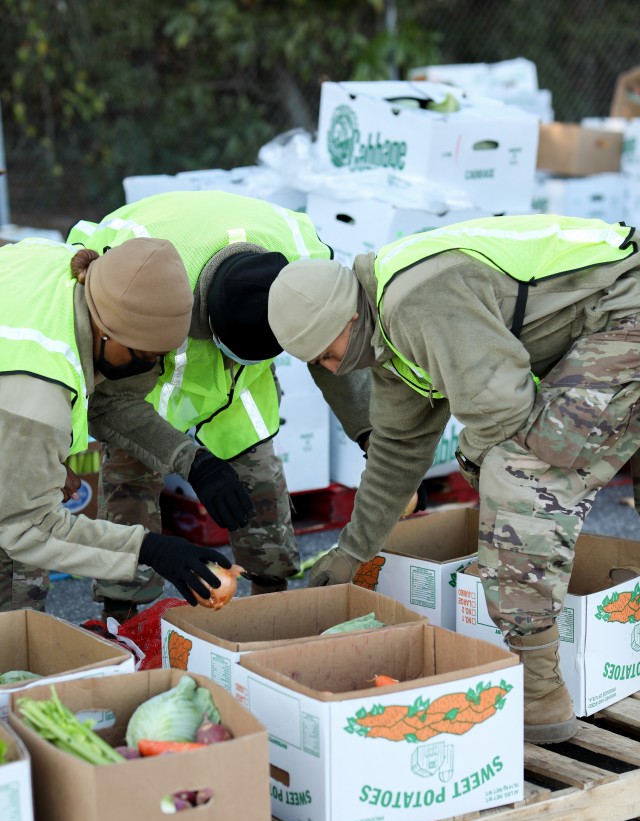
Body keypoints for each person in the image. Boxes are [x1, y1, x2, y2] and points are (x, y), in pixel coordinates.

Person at [261, 213, 640, 745]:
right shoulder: (384, 333)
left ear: (347, 316)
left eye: (328, 351)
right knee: (498, 459)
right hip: (605, 322)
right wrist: (352, 551)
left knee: (520, 470)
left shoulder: (415, 303)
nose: (334, 368)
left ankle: (539, 692)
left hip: (626, 312)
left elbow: (505, 412)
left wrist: (482, 461)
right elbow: (396, 449)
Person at [66, 191, 373, 622]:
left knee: (259, 488)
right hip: (144, 385)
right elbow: (113, 406)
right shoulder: (147, 278)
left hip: (236, 394)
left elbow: (330, 347)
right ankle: (123, 617)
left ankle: (274, 606)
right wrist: (191, 462)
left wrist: (369, 430)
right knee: (129, 484)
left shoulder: (303, 260)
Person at [0, 235, 250, 610]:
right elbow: (29, 526)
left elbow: (104, 405)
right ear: (105, 330)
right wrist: (148, 548)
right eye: (145, 356)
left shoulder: (73, 274)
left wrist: (192, 461)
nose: (148, 368)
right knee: (16, 583)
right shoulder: (39, 390)